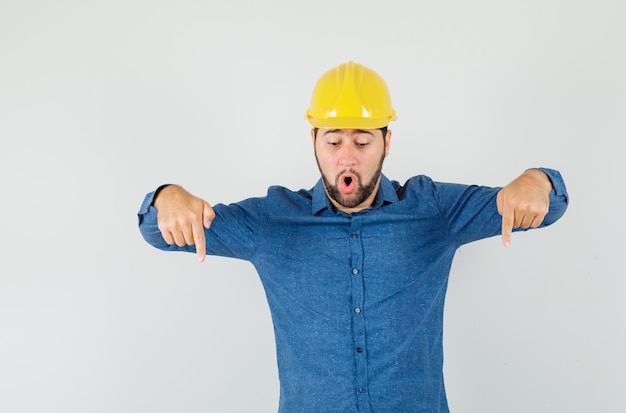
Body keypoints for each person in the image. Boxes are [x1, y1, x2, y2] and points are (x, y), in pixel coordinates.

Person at [138, 61, 568, 413]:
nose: (347, 156)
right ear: (313, 141)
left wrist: (536, 180)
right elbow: (157, 230)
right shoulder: (270, 221)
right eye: (334, 141)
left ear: (386, 142)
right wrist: (167, 195)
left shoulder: (433, 210)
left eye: (363, 141)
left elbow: (549, 205)